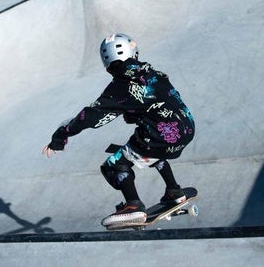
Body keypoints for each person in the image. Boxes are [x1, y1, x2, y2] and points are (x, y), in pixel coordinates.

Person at [43, 33, 195, 226]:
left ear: (107, 63)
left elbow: (89, 116)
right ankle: (174, 192)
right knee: (146, 147)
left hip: (163, 135)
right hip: (186, 128)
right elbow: (163, 100)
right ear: (134, 52)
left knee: (114, 164)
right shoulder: (153, 73)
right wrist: (135, 114)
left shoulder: (120, 86)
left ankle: (133, 206)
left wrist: (61, 136)